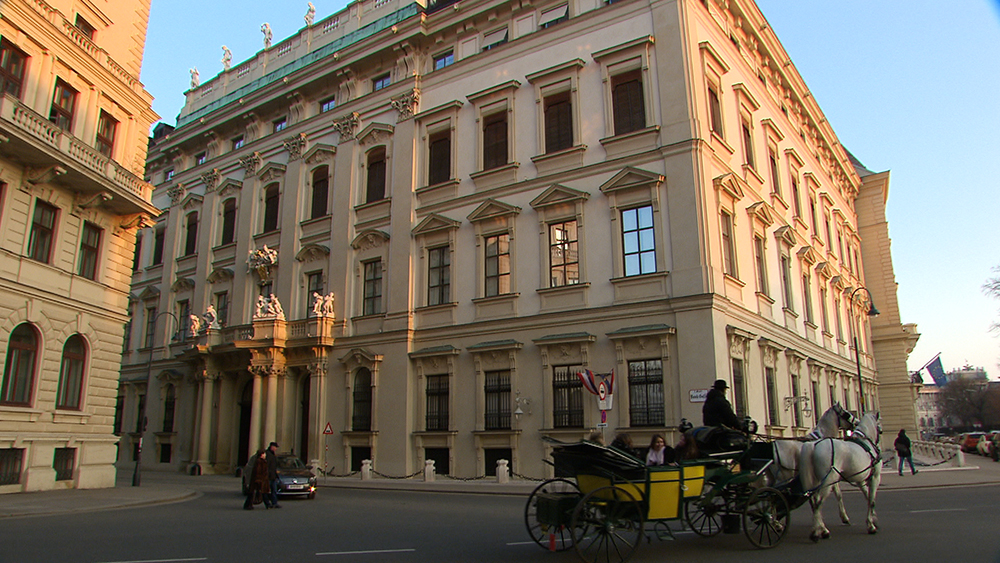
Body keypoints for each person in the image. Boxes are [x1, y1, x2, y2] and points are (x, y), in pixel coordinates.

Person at [265, 441, 281, 508]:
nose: (276, 449)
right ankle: (268, 503)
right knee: (266, 491)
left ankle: (274, 503)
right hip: (268, 476)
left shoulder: (273, 454)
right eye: (275, 447)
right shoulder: (268, 454)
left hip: (273, 476)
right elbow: (267, 466)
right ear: (272, 447)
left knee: (274, 490)